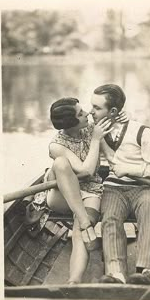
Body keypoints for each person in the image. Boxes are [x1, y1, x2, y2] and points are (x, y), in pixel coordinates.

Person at [90, 84, 150, 285]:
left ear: (114, 111)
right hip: (113, 189)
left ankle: (146, 272)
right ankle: (116, 274)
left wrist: (131, 170)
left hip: (145, 188)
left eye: (96, 108)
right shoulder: (93, 133)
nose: (91, 111)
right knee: (110, 217)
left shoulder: (142, 132)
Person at [43, 97, 113, 284]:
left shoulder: (91, 129)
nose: (88, 113)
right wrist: (96, 140)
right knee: (60, 163)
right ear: (71, 123)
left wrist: (123, 116)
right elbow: (86, 170)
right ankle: (84, 222)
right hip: (61, 196)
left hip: (91, 191)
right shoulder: (56, 145)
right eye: (81, 113)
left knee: (78, 233)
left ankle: (73, 281)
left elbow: (111, 155)